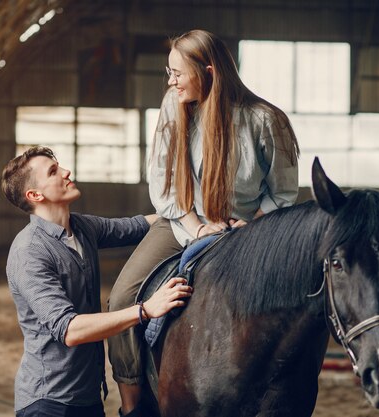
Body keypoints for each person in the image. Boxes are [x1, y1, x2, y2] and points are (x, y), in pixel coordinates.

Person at [107, 29, 300, 416]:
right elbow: (163, 184)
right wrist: (196, 227)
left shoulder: (266, 120)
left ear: (208, 71)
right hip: (182, 222)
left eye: (178, 73)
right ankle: (132, 405)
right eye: (169, 72)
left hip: (247, 232)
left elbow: (283, 192)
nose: (171, 80)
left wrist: (254, 226)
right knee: (121, 298)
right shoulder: (172, 107)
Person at [2, 145, 193, 417]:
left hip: (89, 398)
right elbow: (69, 330)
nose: (67, 172)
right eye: (54, 171)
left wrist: (194, 213)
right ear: (35, 194)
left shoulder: (82, 228)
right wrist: (145, 310)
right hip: (49, 404)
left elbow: (140, 225)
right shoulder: (29, 252)